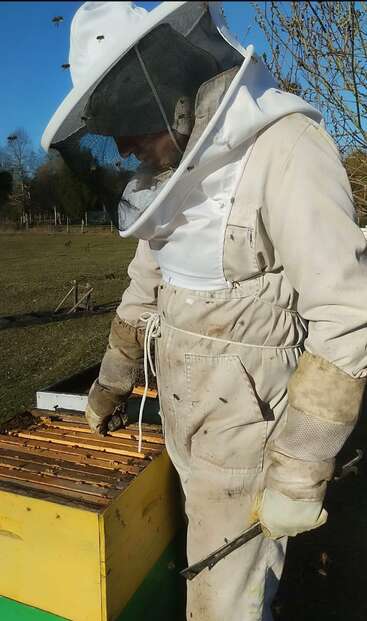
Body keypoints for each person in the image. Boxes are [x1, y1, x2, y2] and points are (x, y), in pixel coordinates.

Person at [42, 2, 367, 619]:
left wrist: (297, 471)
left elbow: (349, 318)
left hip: (253, 444)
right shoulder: (162, 176)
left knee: (226, 611)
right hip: (185, 426)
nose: (120, 141)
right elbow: (144, 291)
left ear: (164, 88)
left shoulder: (285, 147)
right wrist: (108, 388)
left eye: (125, 116)